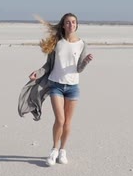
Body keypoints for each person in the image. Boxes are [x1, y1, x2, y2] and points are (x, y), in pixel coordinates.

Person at [18, 13, 94, 166]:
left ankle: (63, 151)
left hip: (73, 87)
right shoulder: (57, 43)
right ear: (63, 25)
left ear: (77, 25)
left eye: (73, 22)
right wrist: (37, 73)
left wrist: (85, 62)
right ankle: (54, 149)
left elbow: (78, 69)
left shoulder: (82, 44)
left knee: (67, 122)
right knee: (60, 120)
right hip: (56, 85)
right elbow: (48, 65)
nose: (71, 25)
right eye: (68, 22)